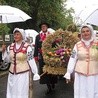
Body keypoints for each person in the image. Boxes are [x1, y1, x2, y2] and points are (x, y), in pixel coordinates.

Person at [2, 28, 40, 98]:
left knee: (21, 90)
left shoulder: (27, 47)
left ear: (22, 36)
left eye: (17, 34)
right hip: (12, 74)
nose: (15, 36)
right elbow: (7, 61)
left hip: (23, 74)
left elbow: (31, 60)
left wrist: (35, 72)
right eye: (14, 34)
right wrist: (4, 52)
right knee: (12, 90)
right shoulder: (10, 47)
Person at [64, 24, 98, 98]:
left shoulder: (97, 44)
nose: (85, 33)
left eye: (87, 31)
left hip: (94, 74)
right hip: (80, 74)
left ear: (91, 32)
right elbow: (73, 58)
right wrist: (69, 72)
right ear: (81, 34)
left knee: (93, 91)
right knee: (81, 92)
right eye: (83, 32)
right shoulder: (77, 45)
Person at [34, 22, 58, 94]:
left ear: (47, 27)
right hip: (42, 57)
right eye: (42, 26)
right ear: (41, 28)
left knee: (51, 70)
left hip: (51, 55)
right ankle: (49, 87)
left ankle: (53, 83)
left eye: (45, 26)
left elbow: (55, 45)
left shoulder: (51, 35)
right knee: (44, 72)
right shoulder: (38, 36)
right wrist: (35, 57)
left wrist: (56, 54)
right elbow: (36, 47)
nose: (43, 27)